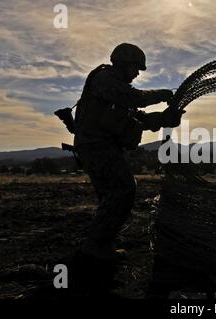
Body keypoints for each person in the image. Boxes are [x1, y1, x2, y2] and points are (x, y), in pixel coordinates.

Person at [70, 43, 184, 291]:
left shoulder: (118, 88)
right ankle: (95, 249)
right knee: (122, 190)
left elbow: (138, 119)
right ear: (123, 63)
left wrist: (165, 119)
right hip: (96, 146)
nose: (138, 73)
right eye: (136, 68)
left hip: (103, 145)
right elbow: (133, 98)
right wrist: (162, 94)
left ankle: (101, 246)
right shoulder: (104, 79)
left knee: (114, 194)